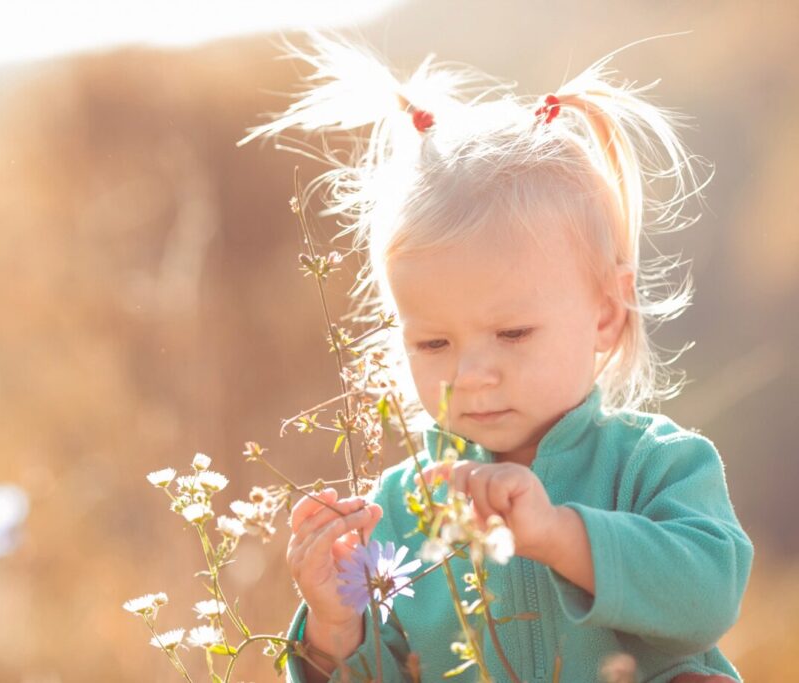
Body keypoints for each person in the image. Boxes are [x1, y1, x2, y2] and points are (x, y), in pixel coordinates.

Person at [238, 31, 753, 683]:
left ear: (605, 312)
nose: (470, 374)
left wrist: (560, 533)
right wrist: (335, 632)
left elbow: (710, 596)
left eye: (511, 333)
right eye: (433, 342)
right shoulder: (400, 508)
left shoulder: (654, 465)